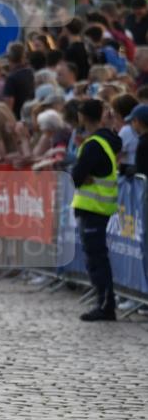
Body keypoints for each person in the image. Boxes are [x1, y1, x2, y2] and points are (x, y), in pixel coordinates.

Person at [71, 98, 121, 322]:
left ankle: (105, 305)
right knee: (96, 258)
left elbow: (76, 176)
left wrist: (80, 174)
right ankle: (104, 301)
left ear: (82, 117)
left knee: (96, 259)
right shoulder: (106, 140)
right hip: (99, 208)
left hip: (93, 208)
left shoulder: (93, 144)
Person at [3, 42, 35, 119]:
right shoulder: (32, 73)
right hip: (34, 117)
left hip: (19, 119)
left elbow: (9, 104)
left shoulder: (11, 78)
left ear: (9, 58)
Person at [129, 103, 148, 175]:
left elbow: (141, 170)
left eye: (132, 121)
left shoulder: (143, 143)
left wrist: (129, 170)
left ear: (137, 121)